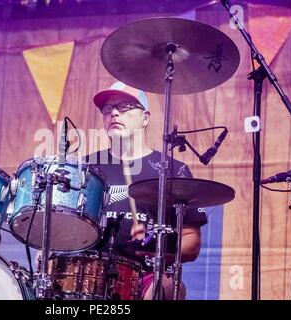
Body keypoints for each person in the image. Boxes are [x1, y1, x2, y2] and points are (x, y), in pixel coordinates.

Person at [84, 81, 208, 300]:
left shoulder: (172, 171)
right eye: (107, 109)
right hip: (89, 273)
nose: (113, 113)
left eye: (123, 107)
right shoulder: (87, 167)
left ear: (145, 118)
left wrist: (154, 247)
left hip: (145, 275)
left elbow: (192, 242)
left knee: (170, 286)